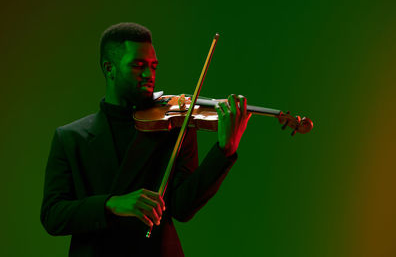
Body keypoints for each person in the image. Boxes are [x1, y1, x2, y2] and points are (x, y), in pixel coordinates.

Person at [40, 22, 251, 257]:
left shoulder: (174, 126)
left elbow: (183, 208)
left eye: (153, 66)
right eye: (138, 66)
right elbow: (52, 215)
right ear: (109, 68)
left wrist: (225, 150)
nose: (148, 75)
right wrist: (111, 204)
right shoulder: (70, 138)